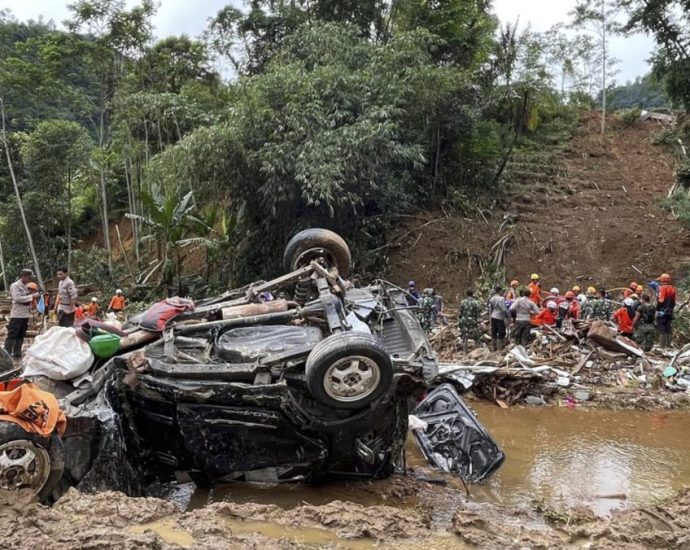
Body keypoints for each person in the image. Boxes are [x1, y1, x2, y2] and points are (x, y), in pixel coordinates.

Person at [3, 269, 40, 359]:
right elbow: (17, 298)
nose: (29, 279)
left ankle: (17, 352)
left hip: (25, 314)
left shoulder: (25, 286)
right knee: (12, 334)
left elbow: (26, 298)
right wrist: (32, 296)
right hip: (17, 314)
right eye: (28, 277)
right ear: (23, 276)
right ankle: (6, 354)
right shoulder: (15, 286)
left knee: (21, 334)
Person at [653, 273, 676, 348]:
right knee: (668, 327)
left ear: (662, 280)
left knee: (661, 327)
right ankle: (668, 345)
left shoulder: (662, 288)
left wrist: (657, 310)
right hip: (670, 311)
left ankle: (662, 345)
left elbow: (661, 300)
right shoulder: (672, 288)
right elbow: (674, 301)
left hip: (662, 311)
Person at [488, 285, 510, 351]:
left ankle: (493, 348)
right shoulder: (501, 298)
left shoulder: (491, 298)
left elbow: (490, 309)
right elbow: (503, 309)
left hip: (493, 316)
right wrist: (508, 315)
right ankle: (499, 348)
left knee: (494, 332)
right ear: (500, 291)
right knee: (501, 332)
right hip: (499, 317)